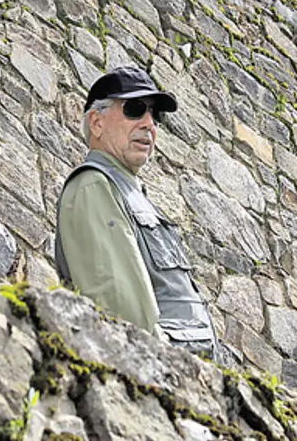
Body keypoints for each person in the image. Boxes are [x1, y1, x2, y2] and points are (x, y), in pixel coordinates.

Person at [55, 66, 218, 357]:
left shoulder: (126, 191)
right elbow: (121, 309)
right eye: (134, 109)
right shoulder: (94, 184)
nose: (149, 124)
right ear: (96, 123)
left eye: (155, 115)